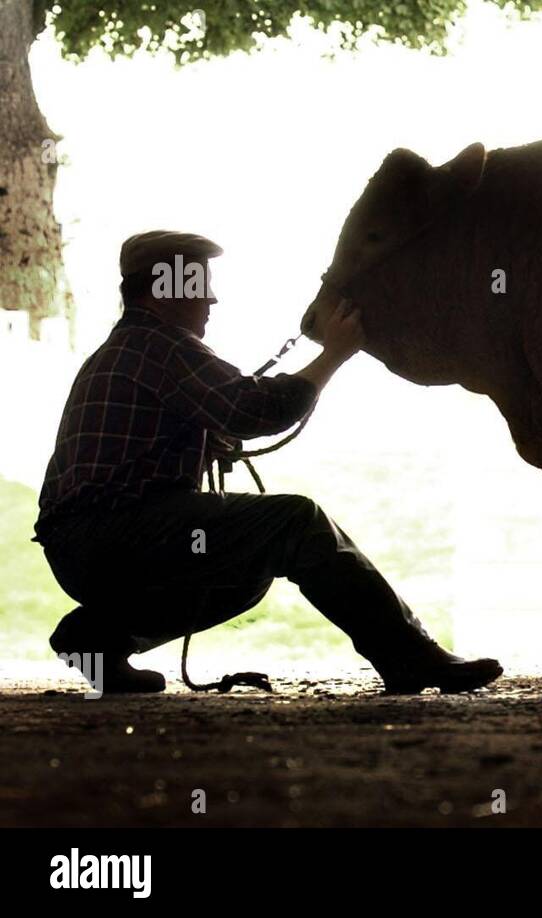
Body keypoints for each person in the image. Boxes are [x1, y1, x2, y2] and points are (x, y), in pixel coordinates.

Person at [33, 230, 502, 694]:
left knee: (248, 567)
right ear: (164, 289)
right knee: (294, 522)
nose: (210, 300)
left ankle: (94, 641)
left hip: (83, 547)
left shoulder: (127, 347)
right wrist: (334, 354)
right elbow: (256, 411)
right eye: (198, 284)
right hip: (110, 536)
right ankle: (410, 657)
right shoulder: (160, 344)